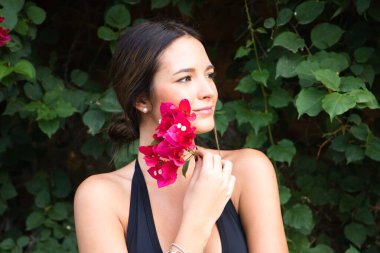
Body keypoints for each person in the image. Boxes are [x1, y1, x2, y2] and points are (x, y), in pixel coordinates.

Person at [74, 20, 288, 253]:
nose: (209, 91)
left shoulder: (248, 172)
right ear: (142, 100)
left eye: (209, 74)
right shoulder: (101, 199)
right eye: (185, 78)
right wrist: (197, 220)